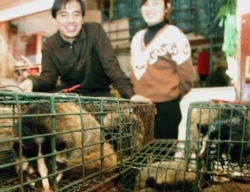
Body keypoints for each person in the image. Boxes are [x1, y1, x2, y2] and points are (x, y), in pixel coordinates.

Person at [19, 0, 150, 103]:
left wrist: (130, 95)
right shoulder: (49, 46)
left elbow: (112, 67)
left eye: (76, 14)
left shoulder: (94, 32)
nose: (71, 20)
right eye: (64, 15)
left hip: (100, 99)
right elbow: (48, 78)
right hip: (71, 101)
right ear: (55, 20)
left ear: (82, 18)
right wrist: (31, 82)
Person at [130, 0, 195, 139]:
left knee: (164, 158)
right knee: (137, 157)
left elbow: (187, 76)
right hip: (138, 109)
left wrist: (171, 96)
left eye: (155, 3)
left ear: (167, 8)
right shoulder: (136, 38)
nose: (150, 8)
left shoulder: (174, 34)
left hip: (166, 110)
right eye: (146, 4)